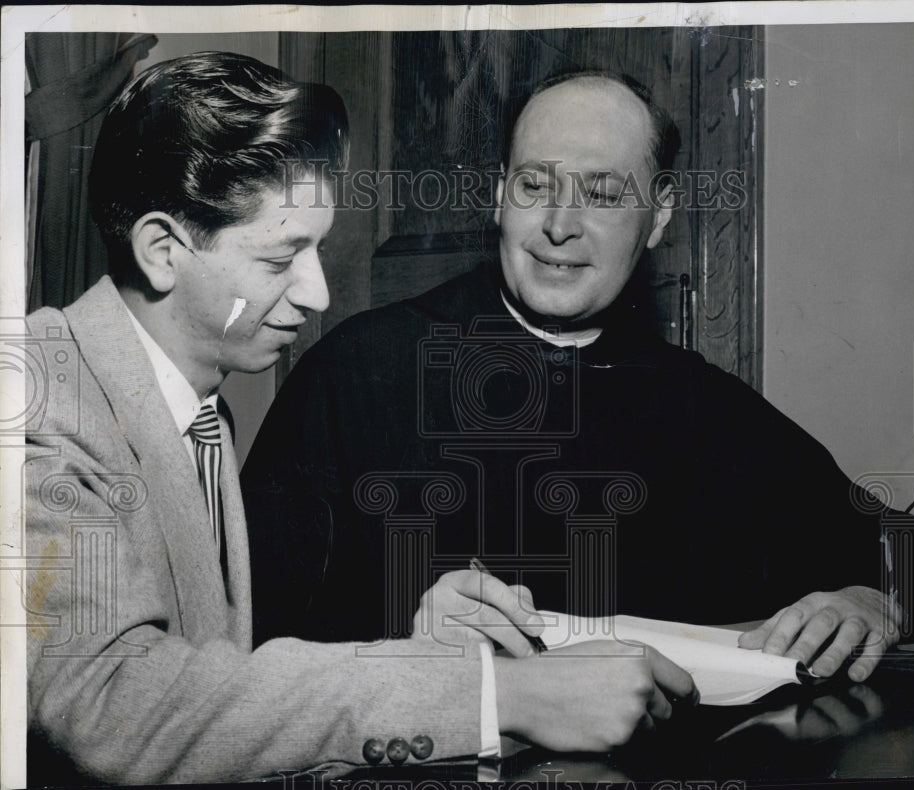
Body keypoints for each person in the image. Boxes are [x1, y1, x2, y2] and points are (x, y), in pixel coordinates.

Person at [23, 55, 697, 786]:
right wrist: (496, 693)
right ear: (163, 251)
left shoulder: (192, 411)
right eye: (285, 256)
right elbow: (116, 707)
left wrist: (423, 652)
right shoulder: (38, 410)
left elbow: (222, 696)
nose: (316, 294)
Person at [243, 71, 905, 683]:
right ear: (500, 196)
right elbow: (244, 647)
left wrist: (868, 599)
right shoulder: (359, 370)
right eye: (535, 186)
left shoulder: (703, 404)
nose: (560, 226)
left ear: (660, 216)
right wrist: (406, 645)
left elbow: (907, 553)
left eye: (603, 194)